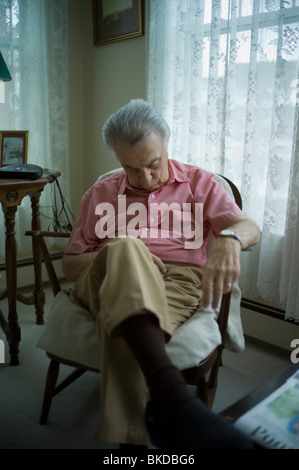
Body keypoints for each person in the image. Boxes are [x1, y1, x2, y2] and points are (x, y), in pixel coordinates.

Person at [62, 99, 261, 449]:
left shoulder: (201, 184)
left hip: (178, 279)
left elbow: (248, 227)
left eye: (153, 164)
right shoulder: (101, 194)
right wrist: (121, 252)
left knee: (131, 329)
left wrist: (229, 239)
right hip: (103, 277)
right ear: (118, 161)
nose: (146, 178)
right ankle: (173, 399)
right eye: (131, 169)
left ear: (166, 143)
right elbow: (70, 263)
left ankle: (131, 445)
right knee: (125, 247)